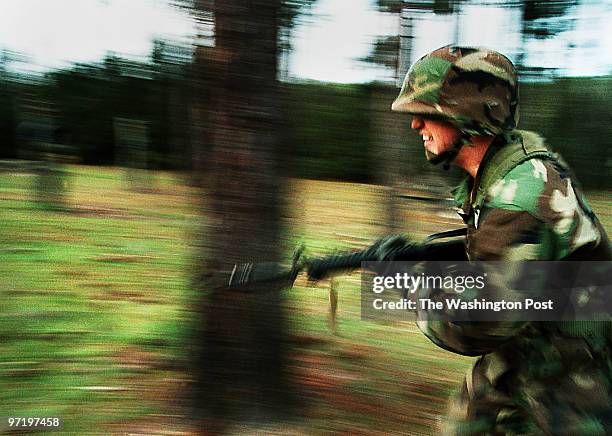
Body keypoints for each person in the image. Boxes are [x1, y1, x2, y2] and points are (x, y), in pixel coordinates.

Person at [390, 45, 612, 434]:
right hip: (528, 347)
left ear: (469, 115)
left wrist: (406, 282)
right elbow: (494, 253)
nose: (415, 126)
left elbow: (479, 323)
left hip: (574, 372)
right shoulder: (497, 173)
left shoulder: (522, 194)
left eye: (424, 113)